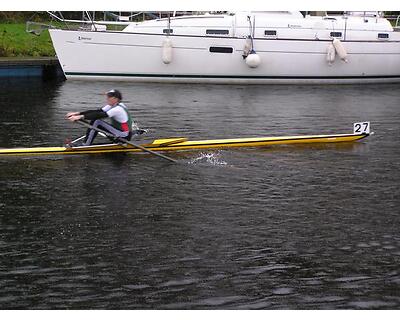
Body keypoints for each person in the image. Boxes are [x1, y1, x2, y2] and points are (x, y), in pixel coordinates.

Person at [66, 89, 133, 146]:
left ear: (115, 99)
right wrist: (78, 113)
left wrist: (80, 117)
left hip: (123, 136)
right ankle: (87, 143)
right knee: (95, 120)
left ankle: (86, 144)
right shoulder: (114, 105)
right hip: (121, 132)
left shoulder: (118, 109)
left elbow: (99, 115)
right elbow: (97, 111)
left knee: (97, 121)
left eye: (109, 97)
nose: (107, 98)